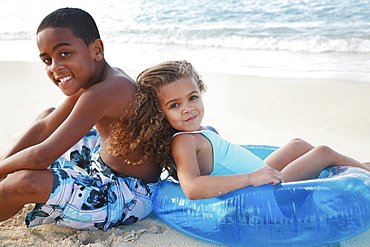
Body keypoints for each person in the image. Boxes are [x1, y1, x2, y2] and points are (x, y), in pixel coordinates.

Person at [109, 60, 370, 200]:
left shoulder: (200, 131)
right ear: (159, 112)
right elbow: (192, 188)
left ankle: (345, 171)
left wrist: (252, 172)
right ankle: (363, 171)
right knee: (322, 152)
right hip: (265, 189)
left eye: (192, 97)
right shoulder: (183, 143)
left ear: (201, 92)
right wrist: (250, 179)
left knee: (298, 144)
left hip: (260, 172)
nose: (188, 109)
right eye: (174, 105)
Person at [0, 8, 161, 231]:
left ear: (97, 49)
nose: (55, 67)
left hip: (127, 195)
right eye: (47, 59)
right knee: (48, 115)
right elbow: (45, 127)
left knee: (24, 182)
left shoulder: (105, 91)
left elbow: (41, 156)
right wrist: (4, 166)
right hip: (102, 163)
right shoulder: (95, 78)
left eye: (64, 53)